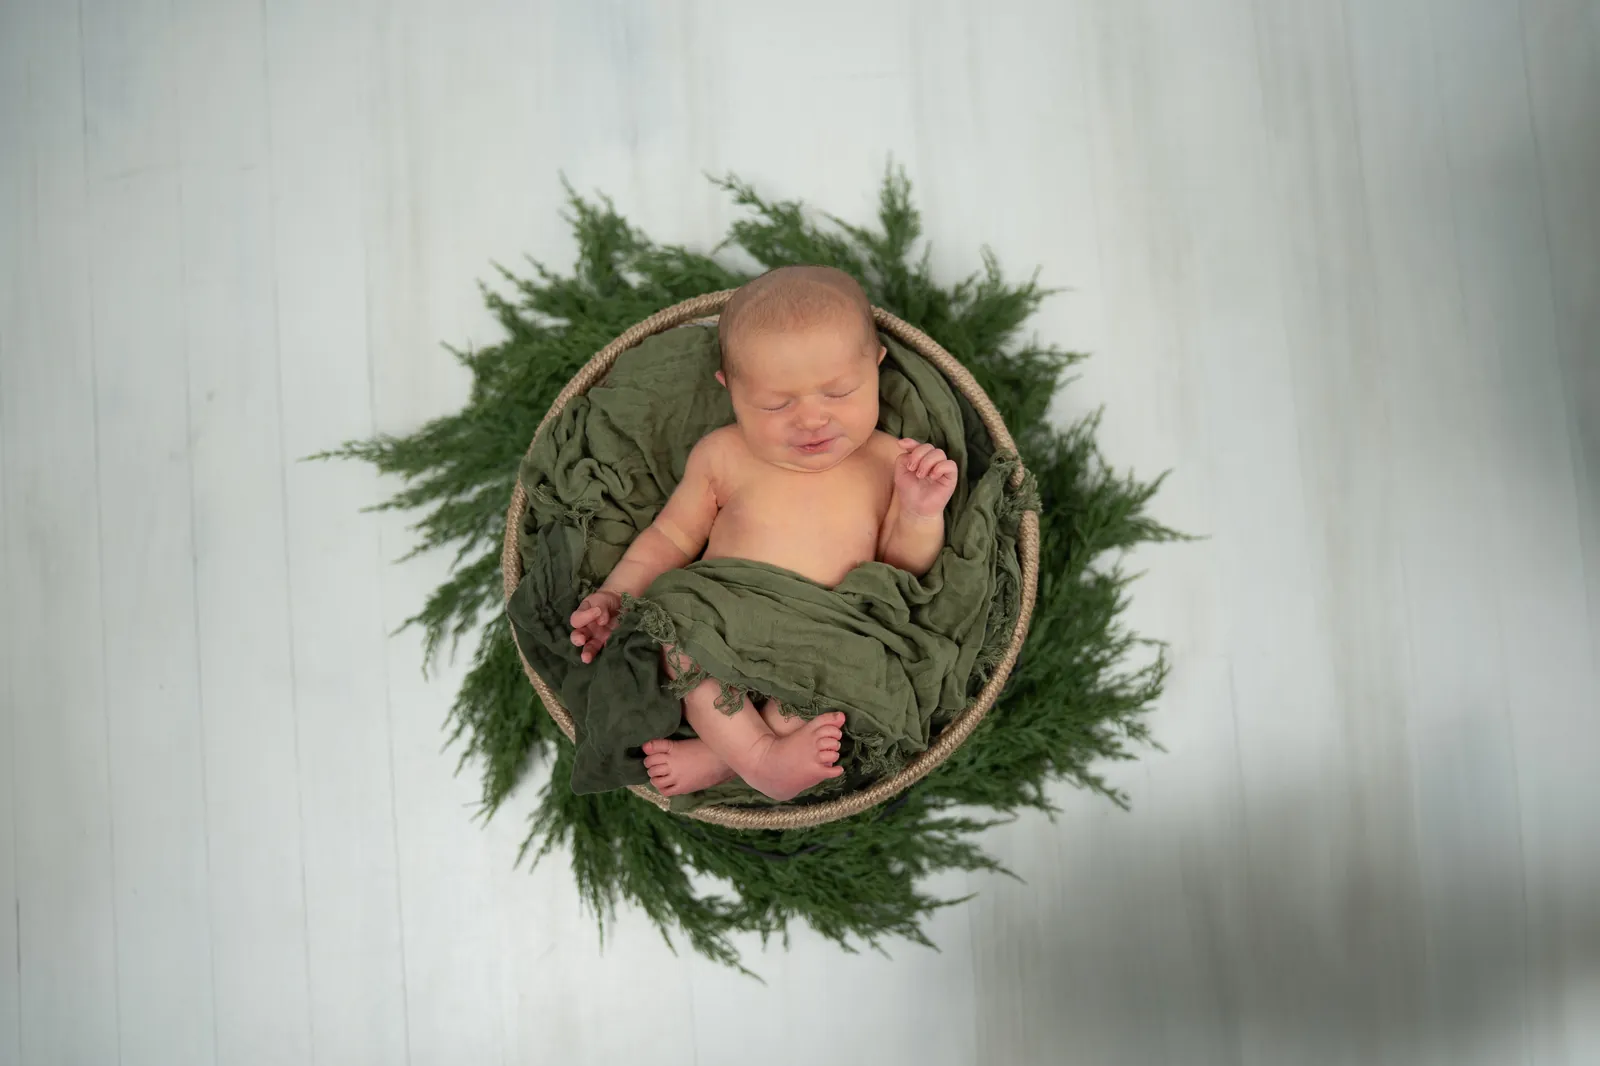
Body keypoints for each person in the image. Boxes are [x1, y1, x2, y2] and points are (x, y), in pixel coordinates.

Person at [567, 266, 958, 800]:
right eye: (777, 404)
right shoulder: (723, 455)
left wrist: (919, 510)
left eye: (840, 392)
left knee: (848, 677)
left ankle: (729, 756)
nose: (813, 419)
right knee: (670, 629)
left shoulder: (890, 461)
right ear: (731, 391)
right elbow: (671, 539)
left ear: (877, 367)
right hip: (724, 622)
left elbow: (899, 572)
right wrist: (615, 594)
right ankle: (754, 753)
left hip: (826, 630)